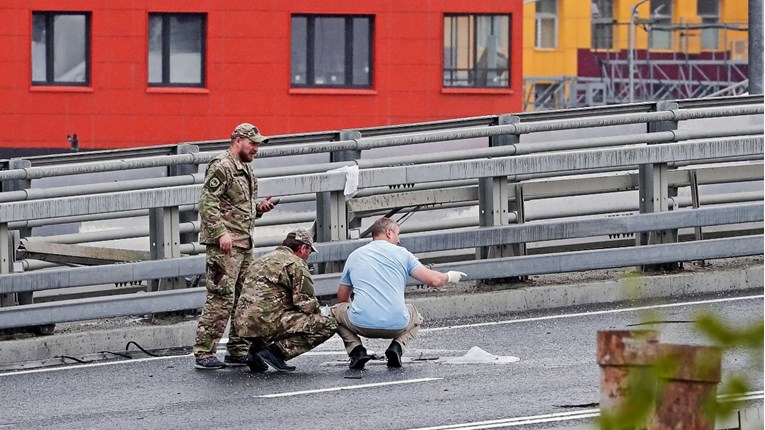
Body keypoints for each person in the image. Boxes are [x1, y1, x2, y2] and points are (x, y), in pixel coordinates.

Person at [193, 122, 278, 370]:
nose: (256, 149)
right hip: (226, 247)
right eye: (253, 143)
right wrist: (220, 233)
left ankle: (237, 349)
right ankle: (204, 352)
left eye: (258, 145)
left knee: (244, 298)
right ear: (238, 140)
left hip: (244, 243)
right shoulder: (223, 166)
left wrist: (258, 209)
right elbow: (208, 203)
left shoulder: (247, 169)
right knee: (221, 297)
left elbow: (238, 207)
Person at [331, 217, 467, 370]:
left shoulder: (355, 255)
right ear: (389, 232)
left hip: (361, 324)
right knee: (415, 314)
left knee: (333, 313)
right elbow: (434, 281)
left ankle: (357, 350)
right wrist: (450, 276)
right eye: (397, 234)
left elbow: (342, 297)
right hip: (397, 324)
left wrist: (357, 312)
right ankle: (397, 347)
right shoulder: (403, 254)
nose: (399, 240)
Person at [233, 228, 337, 372]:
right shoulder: (296, 264)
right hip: (266, 322)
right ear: (303, 248)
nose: (309, 255)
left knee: (273, 311)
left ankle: (254, 353)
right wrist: (321, 312)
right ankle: (276, 353)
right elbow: (305, 303)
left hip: (242, 324)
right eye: (310, 251)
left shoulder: (260, 260)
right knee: (328, 324)